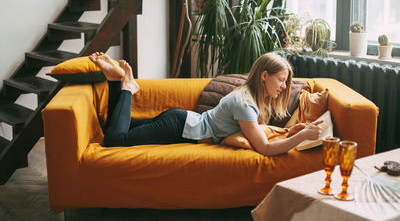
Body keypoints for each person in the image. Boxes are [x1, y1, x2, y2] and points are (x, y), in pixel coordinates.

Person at [89, 52, 322, 156]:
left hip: (181, 122)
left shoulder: (250, 97)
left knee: (117, 128)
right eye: (281, 80)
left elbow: (260, 134)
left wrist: (291, 131)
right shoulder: (245, 104)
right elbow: (265, 148)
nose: (284, 87)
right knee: (114, 141)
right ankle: (127, 87)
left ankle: (114, 81)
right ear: (264, 75)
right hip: (179, 128)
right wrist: (301, 137)